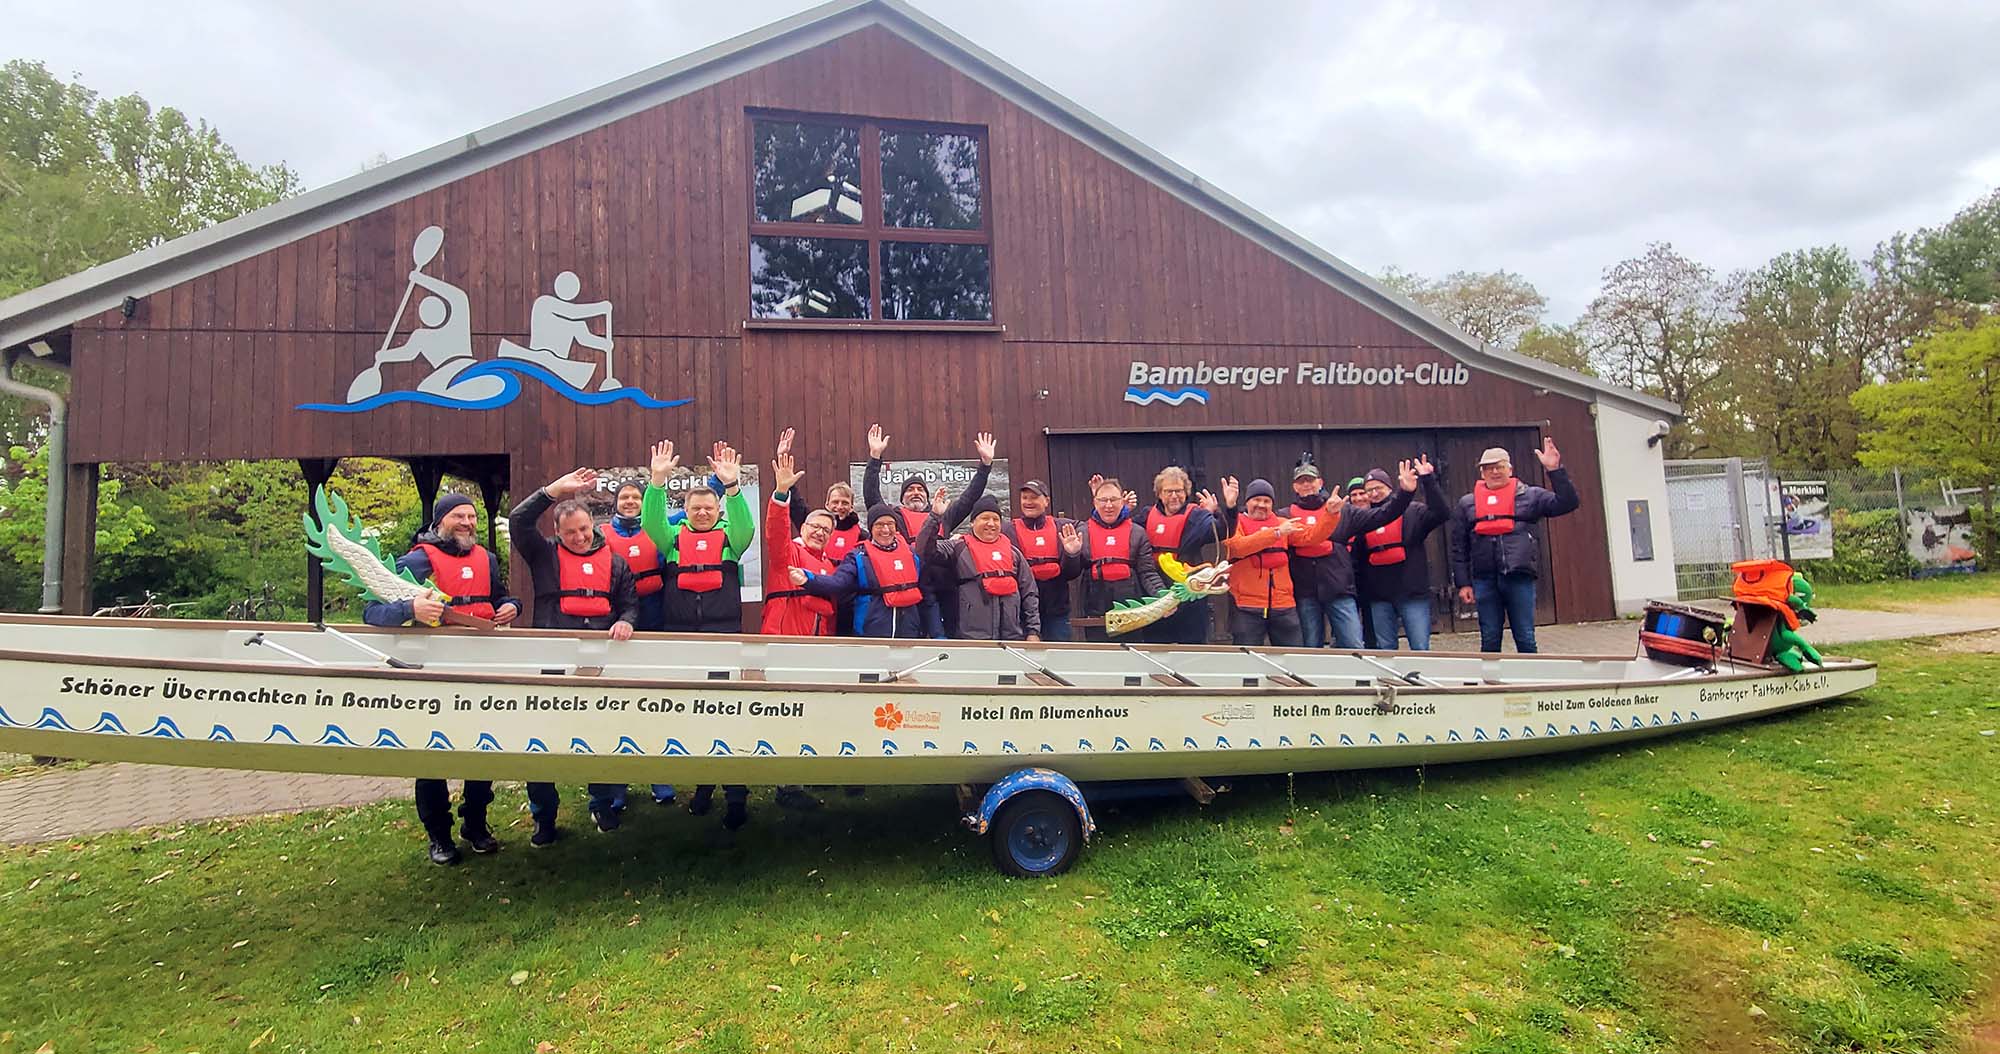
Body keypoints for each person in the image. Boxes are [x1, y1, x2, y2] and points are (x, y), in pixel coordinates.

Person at [363, 493, 521, 866]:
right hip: (434, 672)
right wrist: (410, 608)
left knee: (484, 747)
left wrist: (512, 605)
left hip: (482, 668)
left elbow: (500, 598)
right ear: (439, 522)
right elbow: (371, 610)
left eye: (472, 517)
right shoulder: (417, 560)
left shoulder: (487, 558)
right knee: (432, 754)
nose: (467, 523)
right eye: (458, 516)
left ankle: (476, 823)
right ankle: (438, 834)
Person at [509, 468, 640, 845]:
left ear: (592, 525)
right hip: (551, 659)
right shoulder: (543, 554)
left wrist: (626, 622)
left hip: (597, 660)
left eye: (584, 529)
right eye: (571, 533)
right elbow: (518, 520)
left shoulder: (615, 563)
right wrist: (550, 491)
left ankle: (601, 802)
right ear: (558, 533)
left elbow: (630, 606)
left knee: (596, 734)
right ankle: (544, 816)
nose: (580, 537)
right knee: (541, 741)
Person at [640, 438, 757, 826]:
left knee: (730, 715)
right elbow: (649, 522)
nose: (703, 513)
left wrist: (734, 487)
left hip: (724, 638)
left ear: (717, 509)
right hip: (683, 639)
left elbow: (747, 525)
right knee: (695, 716)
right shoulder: (672, 540)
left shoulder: (730, 540)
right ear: (685, 511)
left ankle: (736, 796)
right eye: (696, 508)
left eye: (709, 507)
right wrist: (657, 483)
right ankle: (705, 785)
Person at [1224, 465, 1416, 647]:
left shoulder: (1284, 522)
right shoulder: (1252, 523)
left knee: (1300, 655)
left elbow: (1312, 536)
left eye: (1266, 501)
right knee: (1251, 655)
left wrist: (1331, 515)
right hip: (1250, 605)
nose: (1261, 505)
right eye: (1256, 500)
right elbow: (1237, 547)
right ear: (1247, 502)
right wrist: (1273, 533)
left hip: (1288, 604)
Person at [861, 424, 994, 638]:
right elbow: (871, 496)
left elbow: (970, 497)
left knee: (949, 634)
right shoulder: (894, 517)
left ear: (928, 496)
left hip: (944, 584)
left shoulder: (944, 515)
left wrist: (985, 466)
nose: (915, 493)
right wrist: (875, 458)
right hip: (911, 583)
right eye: (910, 490)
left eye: (920, 490)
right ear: (902, 497)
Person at [1451, 439, 1580, 654]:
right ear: (1482, 473)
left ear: (1509, 469)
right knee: (1490, 638)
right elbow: (1459, 547)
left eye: (1499, 467)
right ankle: (1491, 684)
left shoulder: (1530, 496)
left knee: (1525, 636)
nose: (1494, 472)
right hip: (1484, 579)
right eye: (1488, 468)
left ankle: (1530, 682)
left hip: (1519, 576)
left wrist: (1554, 470)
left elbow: (1568, 503)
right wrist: (1463, 584)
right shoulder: (1467, 503)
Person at [924, 491, 1048, 641]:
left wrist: (1033, 632)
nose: (991, 523)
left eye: (995, 519)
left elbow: (1030, 594)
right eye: (985, 518)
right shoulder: (957, 548)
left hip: (1012, 638)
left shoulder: (1014, 553)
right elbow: (924, 549)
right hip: (971, 638)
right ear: (972, 523)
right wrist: (935, 518)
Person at [1355, 458, 1450, 650]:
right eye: (1369, 490)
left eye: (1378, 488)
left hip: (1412, 593)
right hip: (1379, 596)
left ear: (1390, 488)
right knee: (1385, 648)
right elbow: (1357, 561)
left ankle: (1421, 678)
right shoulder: (1363, 520)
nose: (1374, 493)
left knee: (1419, 646)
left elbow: (1442, 513)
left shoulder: (1412, 511)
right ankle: (1389, 680)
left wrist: (1428, 480)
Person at [1132, 466, 1224, 644]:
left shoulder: (1196, 516)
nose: (1174, 496)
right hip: (1155, 594)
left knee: (1193, 651)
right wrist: (1124, 510)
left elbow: (1221, 530)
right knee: (1156, 649)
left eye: (1179, 491)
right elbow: (1124, 532)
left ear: (1186, 492)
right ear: (1159, 493)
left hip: (1189, 596)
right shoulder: (1146, 516)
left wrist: (1221, 510)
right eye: (1168, 491)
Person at [1277, 459, 1357, 649]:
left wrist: (1405, 494)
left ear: (1320, 483)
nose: (1306, 485)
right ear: (1294, 487)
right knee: (1311, 645)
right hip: (1305, 590)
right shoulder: (1285, 515)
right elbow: (1304, 538)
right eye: (1301, 481)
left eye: (1310, 480)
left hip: (1338, 588)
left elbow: (1378, 516)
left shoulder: (1343, 511)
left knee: (1353, 643)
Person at [1077, 477, 1167, 638]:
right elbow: (1073, 570)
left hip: (1130, 604)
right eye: (1103, 500)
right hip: (1095, 605)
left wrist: (1163, 597)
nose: (1109, 505)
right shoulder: (1082, 532)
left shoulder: (1137, 532)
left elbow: (1147, 573)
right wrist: (1071, 553)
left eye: (1113, 500)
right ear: (1095, 503)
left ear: (1122, 501)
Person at [1004, 480, 1084, 642]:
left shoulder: (1063, 527)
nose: (1028, 502)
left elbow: (1072, 573)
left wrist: (1072, 555)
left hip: (1057, 611)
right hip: (1021, 613)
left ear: (1046, 501)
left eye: (1034, 497)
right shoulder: (1008, 530)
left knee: (1059, 657)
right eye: (1025, 497)